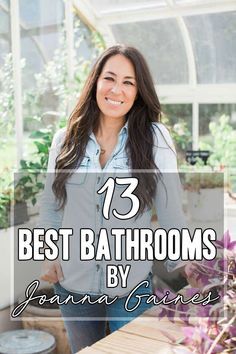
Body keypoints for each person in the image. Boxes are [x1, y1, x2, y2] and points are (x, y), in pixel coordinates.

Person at [39, 44, 186, 353]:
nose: (116, 89)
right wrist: (50, 254)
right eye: (109, 78)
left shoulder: (154, 138)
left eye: (128, 82)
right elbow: (52, 203)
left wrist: (190, 269)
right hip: (72, 283)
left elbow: (171, 210)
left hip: (129, 285)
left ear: (138, 91)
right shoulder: (65, 140)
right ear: (95, 82)